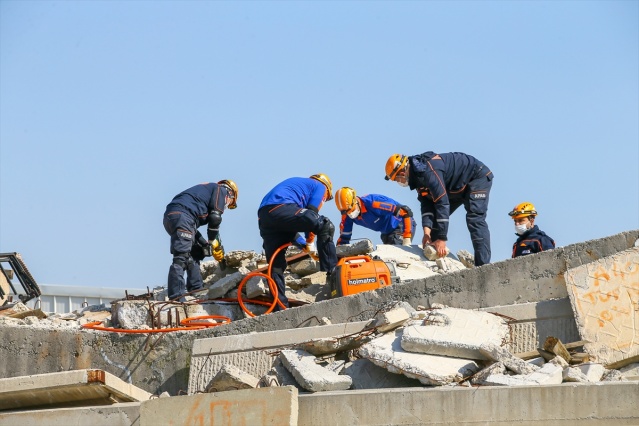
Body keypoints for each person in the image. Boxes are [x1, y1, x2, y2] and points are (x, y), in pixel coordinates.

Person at [384, 152, 494, 266]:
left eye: (397, 179)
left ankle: (483, 266)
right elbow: (427, 204)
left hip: (475, 177)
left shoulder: (428, 171)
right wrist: (427, 234)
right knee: (435, 223)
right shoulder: (417, 177)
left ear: (402, 173)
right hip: (455, 187)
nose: (399, 182)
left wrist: (442, 238)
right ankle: (437, 265)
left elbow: (442, 202)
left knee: (475, 219)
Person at [258, 174, 338, 309]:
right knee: (325, 225)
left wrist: (305, 246)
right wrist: (310, 243)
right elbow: (312, 215)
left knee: (275, 265)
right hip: (281, 207)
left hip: (265, 216)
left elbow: (292, 230)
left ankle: (279, 309)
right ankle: (333, 273)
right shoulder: (320, 186)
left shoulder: (300, 186)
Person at [163, 180, 238, 301]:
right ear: (231, 195)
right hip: (183, 217)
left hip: (173, 217)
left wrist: (204, 243)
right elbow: (215, 217)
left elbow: (191, 226)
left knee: (195, 253)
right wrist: (212, 240)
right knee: (181, 258)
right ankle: (177, 296)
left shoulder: (203, 194)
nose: (226, 206)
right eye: (229, 204)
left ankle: (196, 289)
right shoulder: (221, 190)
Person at [334, 187, 416, 246]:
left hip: (401, 224)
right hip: (386, 232)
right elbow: (344, 238)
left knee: (396, 257)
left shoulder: (374, 203)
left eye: (351, 210)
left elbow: (405, 212)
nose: (351, 214)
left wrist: (407, 237)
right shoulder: (346, 215)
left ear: (355, 201)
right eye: (347, 213)